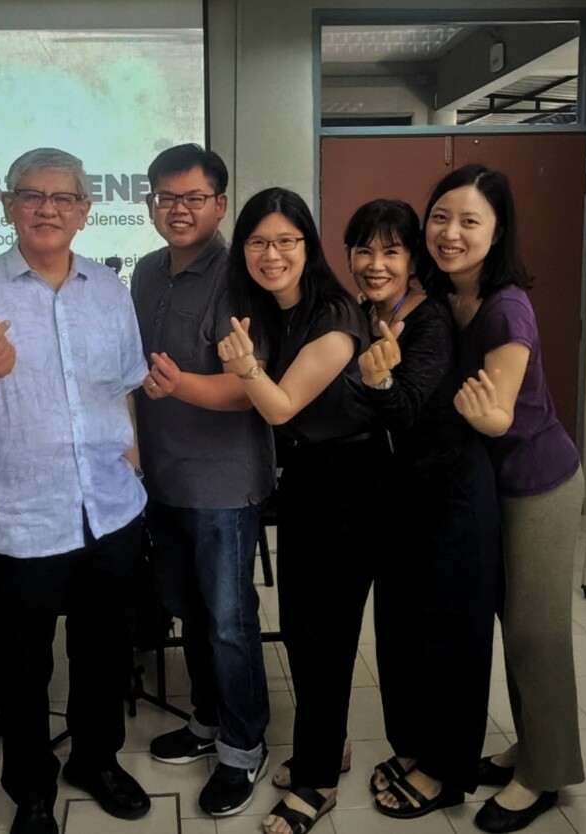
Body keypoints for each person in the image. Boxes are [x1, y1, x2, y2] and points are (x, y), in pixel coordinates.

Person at [0, 148, 151, 834]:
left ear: (85, 211)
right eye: (32, 195)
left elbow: (126, 387)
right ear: (8, 206)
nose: (47, 208)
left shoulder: (110, 289)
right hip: (23, 513)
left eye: (63, 197)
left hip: (110, 507)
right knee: (23, 667)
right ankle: (30, 789)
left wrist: (134, 461)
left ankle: (96, 760)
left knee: (103, 652)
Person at [214, 187, 388, 834]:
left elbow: (281, 406)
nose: (272, 254)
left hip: (351, 481)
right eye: (258, 241)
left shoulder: (335, 315)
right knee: (300, 627)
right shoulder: (273, 309)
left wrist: (245, 369)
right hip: (310, 479)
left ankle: (317, 783)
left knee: (326, 635)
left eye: (286, 240)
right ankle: (328, 745)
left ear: (309, 246)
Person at [422, 164, 585, 833]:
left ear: (497, 231)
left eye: (470, 221)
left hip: (538, 482)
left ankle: (544, 774)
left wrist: (483, 416)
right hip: (488, 486)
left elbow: (498, 414)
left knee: (536, 631)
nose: (450, 233)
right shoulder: (446, 292)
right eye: (440, 217)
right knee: (510, 622)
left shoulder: (506, 307)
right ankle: (536, 744)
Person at [343, 199, 500, 819]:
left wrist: (380, 381)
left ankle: (445, 771)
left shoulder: (428, 319)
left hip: (451, 498)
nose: (375, 264)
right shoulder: (370, 311)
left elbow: (405, 408)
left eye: (391, 251)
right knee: (402, 634)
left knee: (448, 639)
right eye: (364, 250)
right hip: (403, 501)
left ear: (412, 260)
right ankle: (414, 749)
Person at [131, 144, 275, 816]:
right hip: (162, 479)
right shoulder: (144, 272)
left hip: (222, 483)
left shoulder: (239, 278)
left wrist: (179, 385)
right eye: (166, 198)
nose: (178, 210)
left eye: (193, 198)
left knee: (228, 622)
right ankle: (208, 721)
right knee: (190, 612)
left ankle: (244, 748)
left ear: (220, 204)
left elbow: (249, 391)